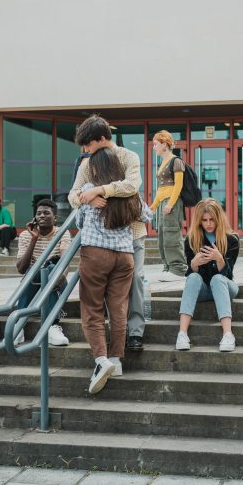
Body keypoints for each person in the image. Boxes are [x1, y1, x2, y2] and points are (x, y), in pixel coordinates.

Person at [75, 147, 152, 393]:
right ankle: (117, 360)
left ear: (95, 168)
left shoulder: (89, 190)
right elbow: (148, 215)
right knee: (119, 308)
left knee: (92, 309)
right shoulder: (127, 191)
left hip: (96, 254)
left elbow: (79, 220)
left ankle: (101, 360)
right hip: (124, 257)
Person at [69, 114, 148, 351]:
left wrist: (100, 190)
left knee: (134, 282)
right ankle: (110, 344)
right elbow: (73, 195)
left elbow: (132, 186)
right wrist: (87, 199)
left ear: (102, 139)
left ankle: (134, 333)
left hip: (131, 232)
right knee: (109, 291)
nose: (86, 149)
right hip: (102, 237)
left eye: (89, 144)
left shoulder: (128, 156)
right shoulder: (87, 163)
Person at [176, 198, 241, 352]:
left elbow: (228, 274)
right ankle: (182, 334)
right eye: (204, 220)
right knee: (193, 277)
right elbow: (193, 278)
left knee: (218, 279)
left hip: (226, 286)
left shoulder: (232, 239)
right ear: (199, 221)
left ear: (219, 218)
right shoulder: (191, 240)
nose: (208, 223)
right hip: (203, 290)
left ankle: (228, 334)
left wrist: (219, 259)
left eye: (212, 219)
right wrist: (194, 264)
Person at [16, 198, 71, 346]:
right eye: (39, 213)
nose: (41, 216)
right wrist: (34, 239)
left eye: (46, 213)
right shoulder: (26, 235)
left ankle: (51, 325)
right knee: (34, 270)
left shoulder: (62, 232)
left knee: (52, 268)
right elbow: (21, 269)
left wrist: (63, 275)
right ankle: (18, 327)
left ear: (55, 218)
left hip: (56, 281)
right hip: (33, 282)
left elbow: (65, 260)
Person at [150, 130, 187, 281]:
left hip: (172, 203)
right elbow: (161, 189)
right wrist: (154, 205)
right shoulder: (163, 163)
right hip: (163, 204)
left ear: (164, 144)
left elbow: (178, 186)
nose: (154, 147)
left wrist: (170, 204)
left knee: (172, 235)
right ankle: (168, 267)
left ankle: (178, 269)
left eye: (155, 144)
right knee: (163, 236)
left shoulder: (176, 161)